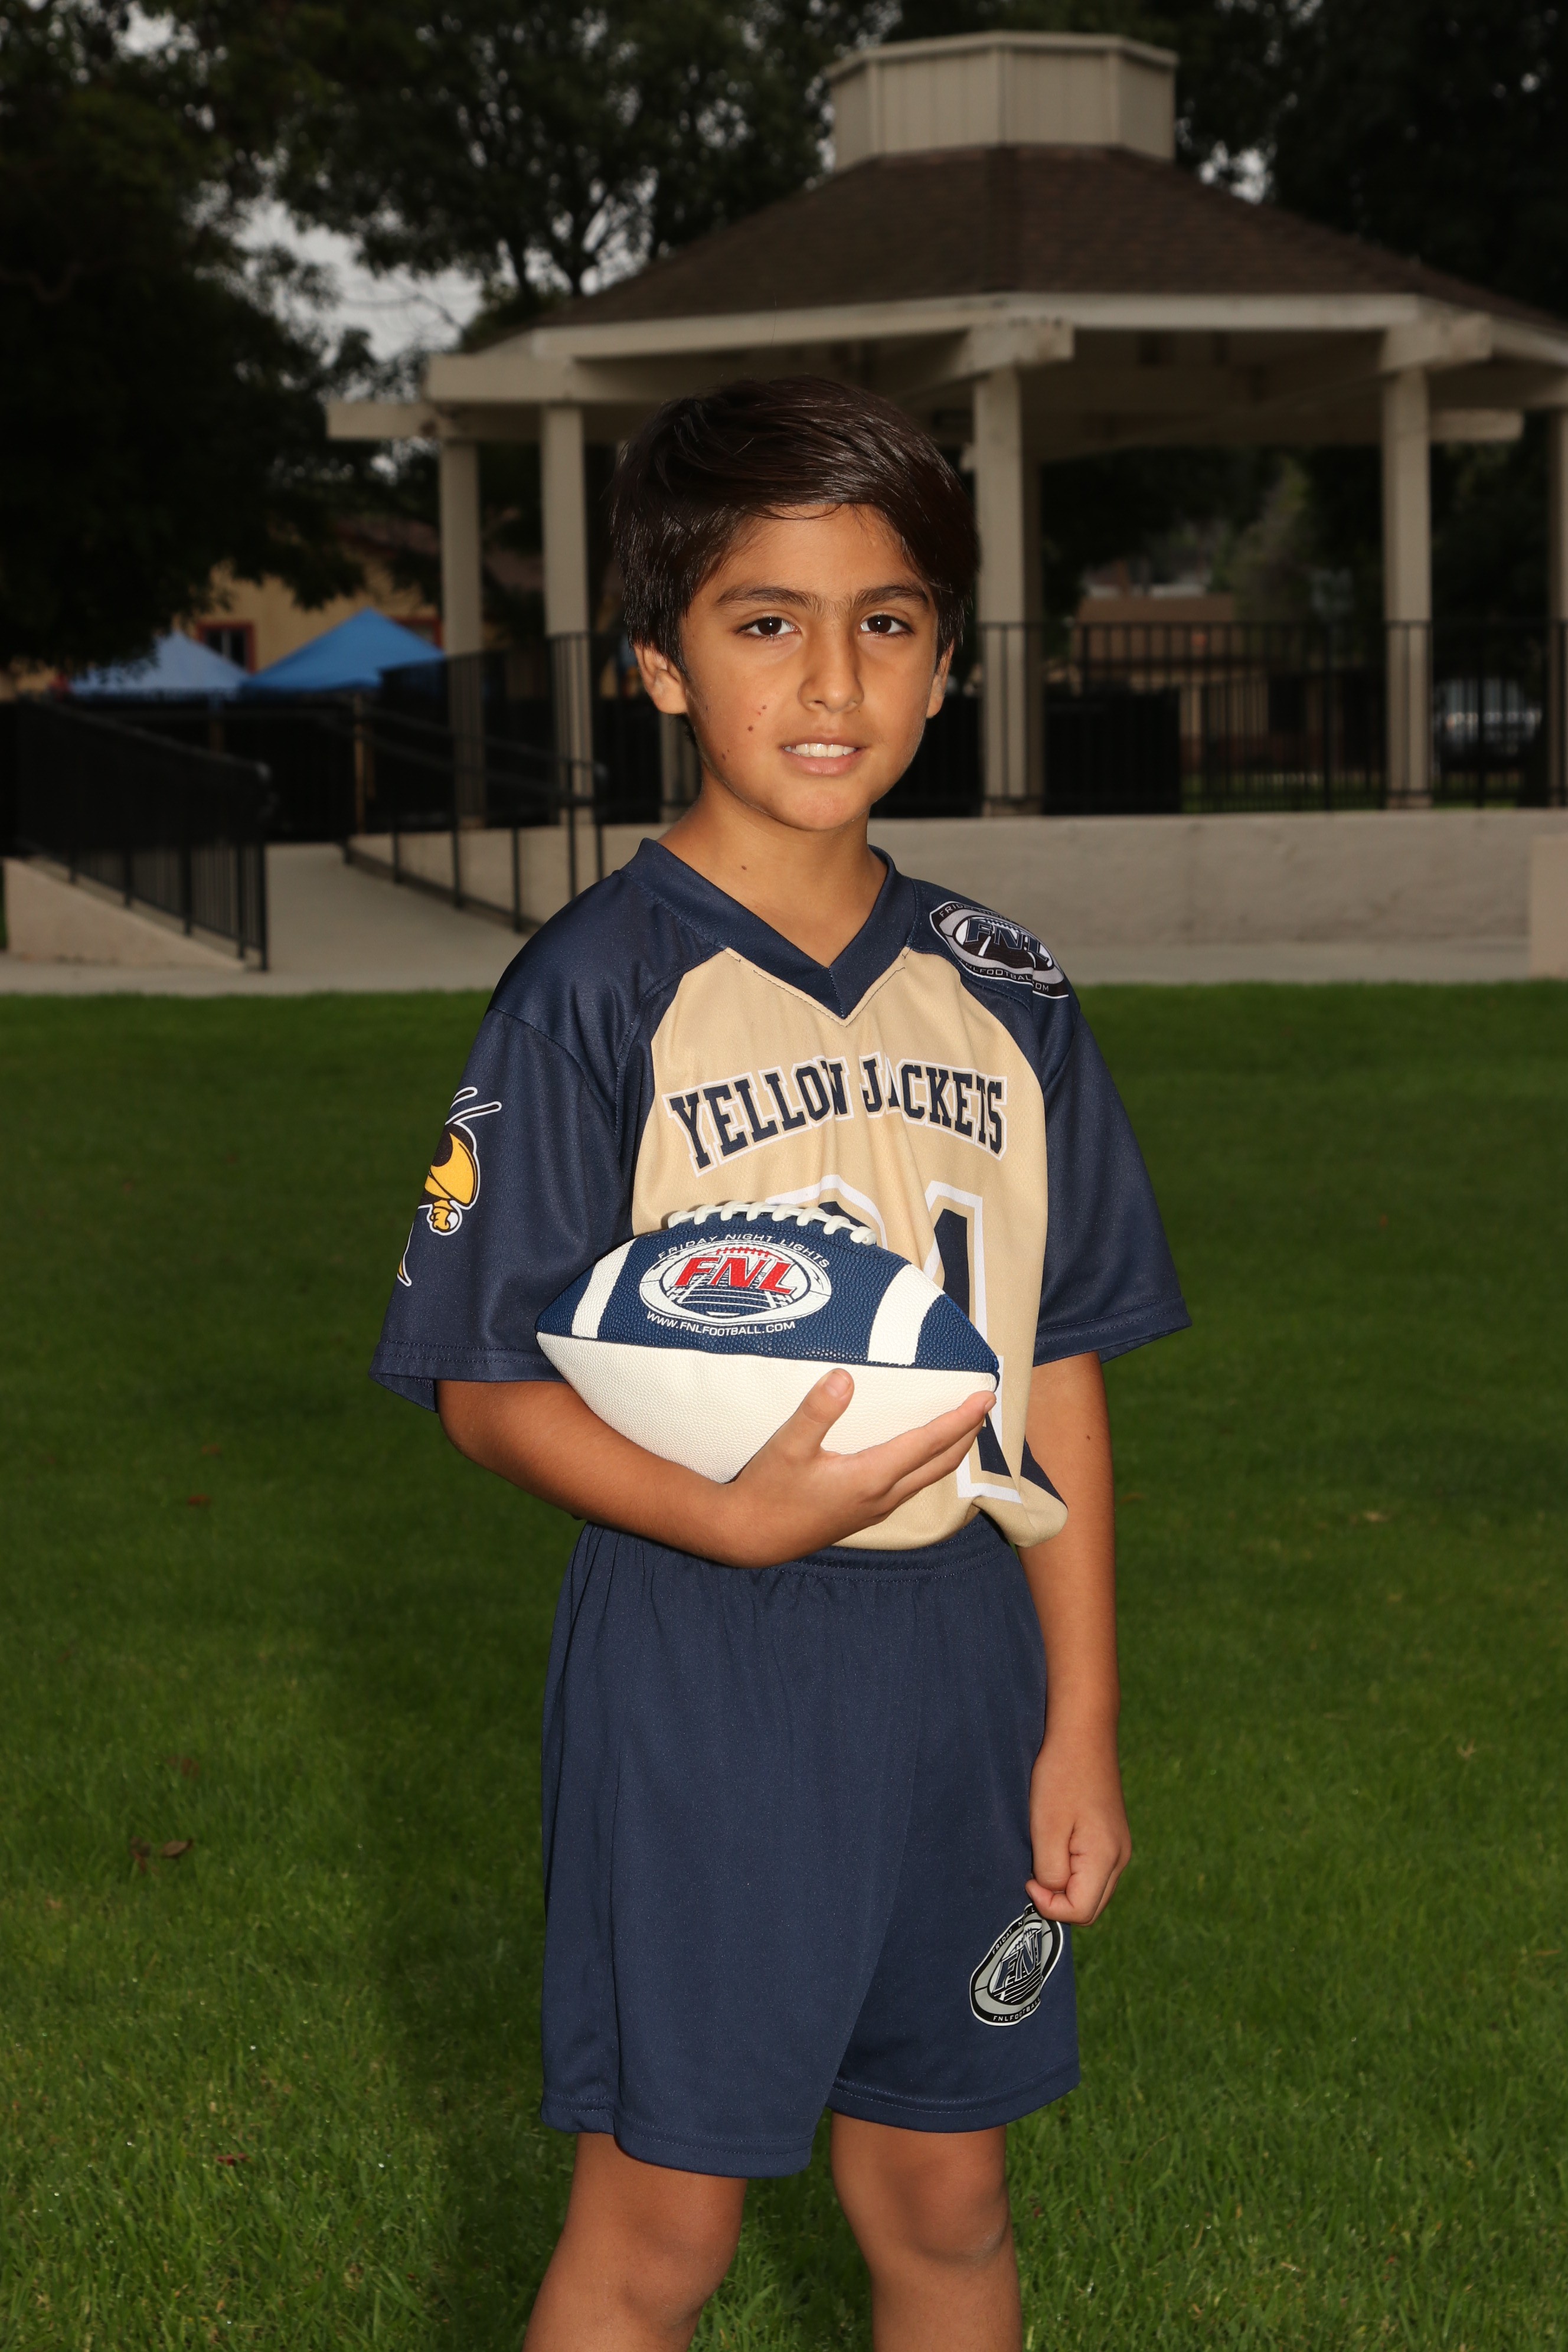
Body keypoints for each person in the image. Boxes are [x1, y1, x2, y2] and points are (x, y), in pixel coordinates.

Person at [371, 375, 1190, 2352]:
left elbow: (1064, 1370)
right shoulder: (594, 989)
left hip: (962, 1659)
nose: (833, 678)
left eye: (885, 621)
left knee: (949, 2199)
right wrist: (728, 1519)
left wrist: (1080, 1716)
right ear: (660, 662)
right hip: (703, 1654)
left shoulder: (1007, 989)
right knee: (662, 2230)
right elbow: (486, 1384)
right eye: (766, 622)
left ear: (946, 660)